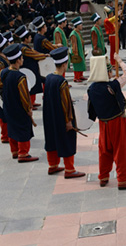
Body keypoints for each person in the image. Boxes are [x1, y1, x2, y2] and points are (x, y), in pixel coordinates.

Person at [87, 54, 126, 189]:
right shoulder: (113, 85)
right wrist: (119, 60)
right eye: (109, 70)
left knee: (104, 150)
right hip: (117, 121)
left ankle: (103, 176)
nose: (111, 73)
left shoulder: (91, 89)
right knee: (121, 149)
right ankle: (123, 179)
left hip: (102, 122)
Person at [42, 47, 85, 178]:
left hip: (50, 115)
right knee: (66, 139)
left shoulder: (49, 77)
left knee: (51, 138)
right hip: (61, 117)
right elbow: (66, 103)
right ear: (65, 64)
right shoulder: (62, 81)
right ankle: (70, 169)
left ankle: (53, 165)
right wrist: (69, 121)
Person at [1, 44, 39, 162]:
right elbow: (24, 95)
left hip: (8, 106)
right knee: (23, 128)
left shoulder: (4, 72)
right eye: (22, 58)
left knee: (12, 128)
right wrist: (29, 109)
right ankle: (23, 153)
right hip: (19, 108)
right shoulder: (20, 77)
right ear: (18, 60)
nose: (22, 60)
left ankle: (15, 151)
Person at [15, 25, 48, 107]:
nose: (30, 38)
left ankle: (32, 102)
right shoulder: (23, 48)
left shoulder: (26, 46)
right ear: (25, 39)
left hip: (32, 68)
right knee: (31, 86)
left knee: (35, 85)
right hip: (28, 69)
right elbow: (34, 55)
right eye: (29, 37)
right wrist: (44, 55)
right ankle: (30, 103)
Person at [69, 17, 86, 82]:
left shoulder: (78, 32)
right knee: (77, 64)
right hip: (76, 51)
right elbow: (74, 45)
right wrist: (75, 54)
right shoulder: (73, 34)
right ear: (77, 25)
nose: (82, 26)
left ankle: (80, 75)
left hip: (80, 50)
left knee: (81, 63)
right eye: (81, 24)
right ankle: (76, 77)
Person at [0, 36, 10, 144]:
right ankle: (5, 135)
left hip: (4, 87)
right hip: (2, 88)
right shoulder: (0, 61)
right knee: (3, 113)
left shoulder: (3, 57)